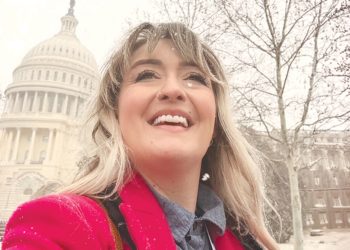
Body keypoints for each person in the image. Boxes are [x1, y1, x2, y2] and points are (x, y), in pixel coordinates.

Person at [3, 22, 279, 250]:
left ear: (216, 121)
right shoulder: (61, 226)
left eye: (195, 77)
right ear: (115, 112)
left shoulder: (244, 239)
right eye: (147, 74)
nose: (173, 90)